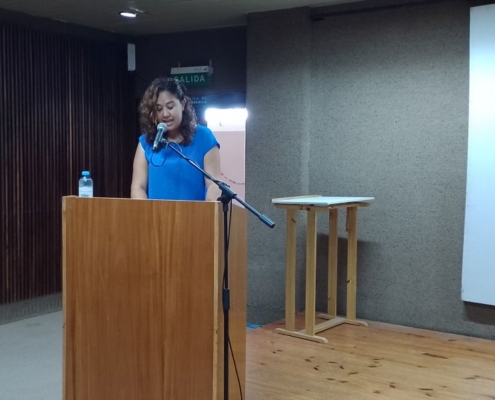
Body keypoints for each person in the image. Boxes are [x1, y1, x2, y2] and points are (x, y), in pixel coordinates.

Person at [131, 77, 221, 201]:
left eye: (170, 107)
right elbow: (138, 188)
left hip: (196, 213)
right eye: (159, 109)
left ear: (182, 104)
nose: (165, 114)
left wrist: (210, 211)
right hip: (155, 213)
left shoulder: (204, 137)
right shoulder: (146, 143)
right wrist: (146, 213)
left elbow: (214, 185)